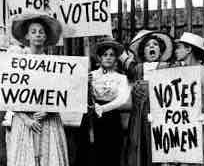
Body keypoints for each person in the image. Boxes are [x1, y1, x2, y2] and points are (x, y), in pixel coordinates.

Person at [4, 13, 69, 166]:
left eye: (41, 32)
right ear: (27, 35)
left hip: (48, 120)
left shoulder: (54, 64)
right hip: (24, 121)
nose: (38, 35)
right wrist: (25, 119)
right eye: (33, 32)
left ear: (46, 36)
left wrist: (49, 110)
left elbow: (62, 93)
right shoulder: (18, 61)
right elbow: (8, 93)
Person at [119, 30, 174, 166]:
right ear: (143, 52)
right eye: (147, 45)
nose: (151, 47)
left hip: (160, 114)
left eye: (155, 44)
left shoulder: (167, 67)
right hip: (139, 116)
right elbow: (122, 56)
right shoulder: (137, 69)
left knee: (157, 143)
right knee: (138, 142)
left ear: (160, 51)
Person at [76, 38, 131, 166]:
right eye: (105, 55)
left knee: (110, 153)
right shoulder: (90, 75)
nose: (108, 58)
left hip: (111, 118)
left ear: (116, 58)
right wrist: (85, 84)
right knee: (89, 152)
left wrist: (103, 109)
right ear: (99, 58)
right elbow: (77, 94)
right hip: (91, 117)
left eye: (112, 55)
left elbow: (122, 99)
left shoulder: (121, 78)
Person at [173, 32, 204, 166]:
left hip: (197, 130)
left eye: (179, 47)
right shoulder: (173, 72)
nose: (176, 51)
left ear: (189, 49)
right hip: (176, 130)